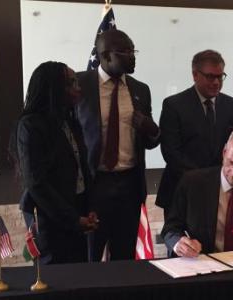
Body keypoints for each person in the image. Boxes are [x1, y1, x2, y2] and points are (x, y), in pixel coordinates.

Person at [75, 29, 160, 261]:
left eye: (134, 51)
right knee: (89, 258)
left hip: (129, 185)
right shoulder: (79, 85)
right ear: (104, 55)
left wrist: (151, 130)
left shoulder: (140, 89)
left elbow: (151, 141)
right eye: (125, 52)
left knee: (124, 259)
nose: (132, 57)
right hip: (94, 185)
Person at [11, 61, 98, 264]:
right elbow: (36, 183)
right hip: (49, 219)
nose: (78, 88)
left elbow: (82, 169)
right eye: (71, 83)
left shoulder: (70, 121)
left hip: (77, 213)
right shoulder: (30, 125)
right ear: (54, 88)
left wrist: (89, 209)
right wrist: (73, 219)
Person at [161, 127, 233, 257]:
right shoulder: (193, 183)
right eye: (231, 162)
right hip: (206, 262)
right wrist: (179, 243)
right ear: (224, 152)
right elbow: (171, 228)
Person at [156, 50, 233, 220]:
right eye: (210, 76)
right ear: (195, 75)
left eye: (220, 76)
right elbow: (171, 152)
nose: (216, 82)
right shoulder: (174, 105)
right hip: (182, 188)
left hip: (222, 189)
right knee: (181, 245)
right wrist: (204, 179)